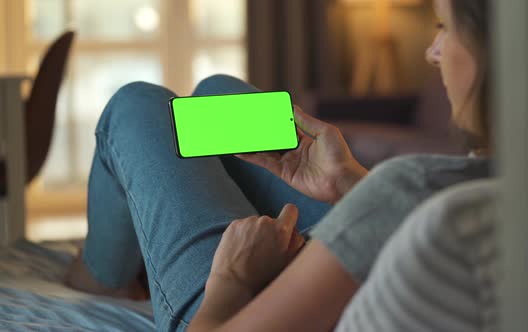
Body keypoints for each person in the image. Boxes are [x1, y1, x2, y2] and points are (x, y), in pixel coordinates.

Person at [65, 0, 491, 330]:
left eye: (443, 28)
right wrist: (351, 184)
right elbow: (412, 225)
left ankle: (103, 275)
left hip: (257, 308)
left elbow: (403, 207)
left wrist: (231, 279)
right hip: (357, 269)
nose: (432, 52)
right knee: (217, 93)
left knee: (136, 105)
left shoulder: (408, 186)